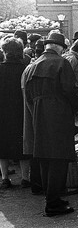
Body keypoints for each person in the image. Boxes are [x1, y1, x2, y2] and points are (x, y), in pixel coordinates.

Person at [22, 32, 78, 216]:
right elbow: (71, 90)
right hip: (59, 111)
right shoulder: (62, 63)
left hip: (39, 113)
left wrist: (35, 112)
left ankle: (51, 197)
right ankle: (53, 203)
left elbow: (28, 96)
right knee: (59, 157)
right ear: (59, 47)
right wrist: (77, 110)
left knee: (45, 156)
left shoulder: (32, 66)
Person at [0, 38, 31, 189]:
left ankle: (5, 178)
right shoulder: (26, 69)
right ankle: (25, 178)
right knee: (23, 145)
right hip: (21, 112)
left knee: (3, 145)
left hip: (2, 113)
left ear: (4, 52)